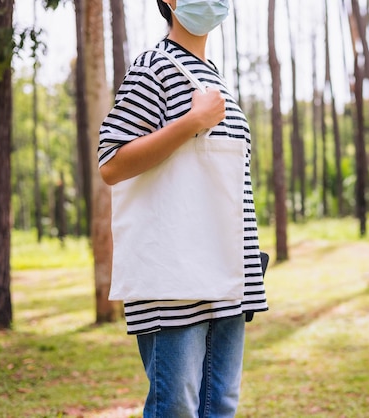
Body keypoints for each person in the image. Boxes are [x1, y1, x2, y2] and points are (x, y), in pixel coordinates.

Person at [97, 0, 268, 416]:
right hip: (175, 277)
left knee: (220, 404)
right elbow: (111, 162)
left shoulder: (214, 77)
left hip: (227, 274)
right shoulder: (153, 66)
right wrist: (191, 122)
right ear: (170, 1)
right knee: (175, 407)